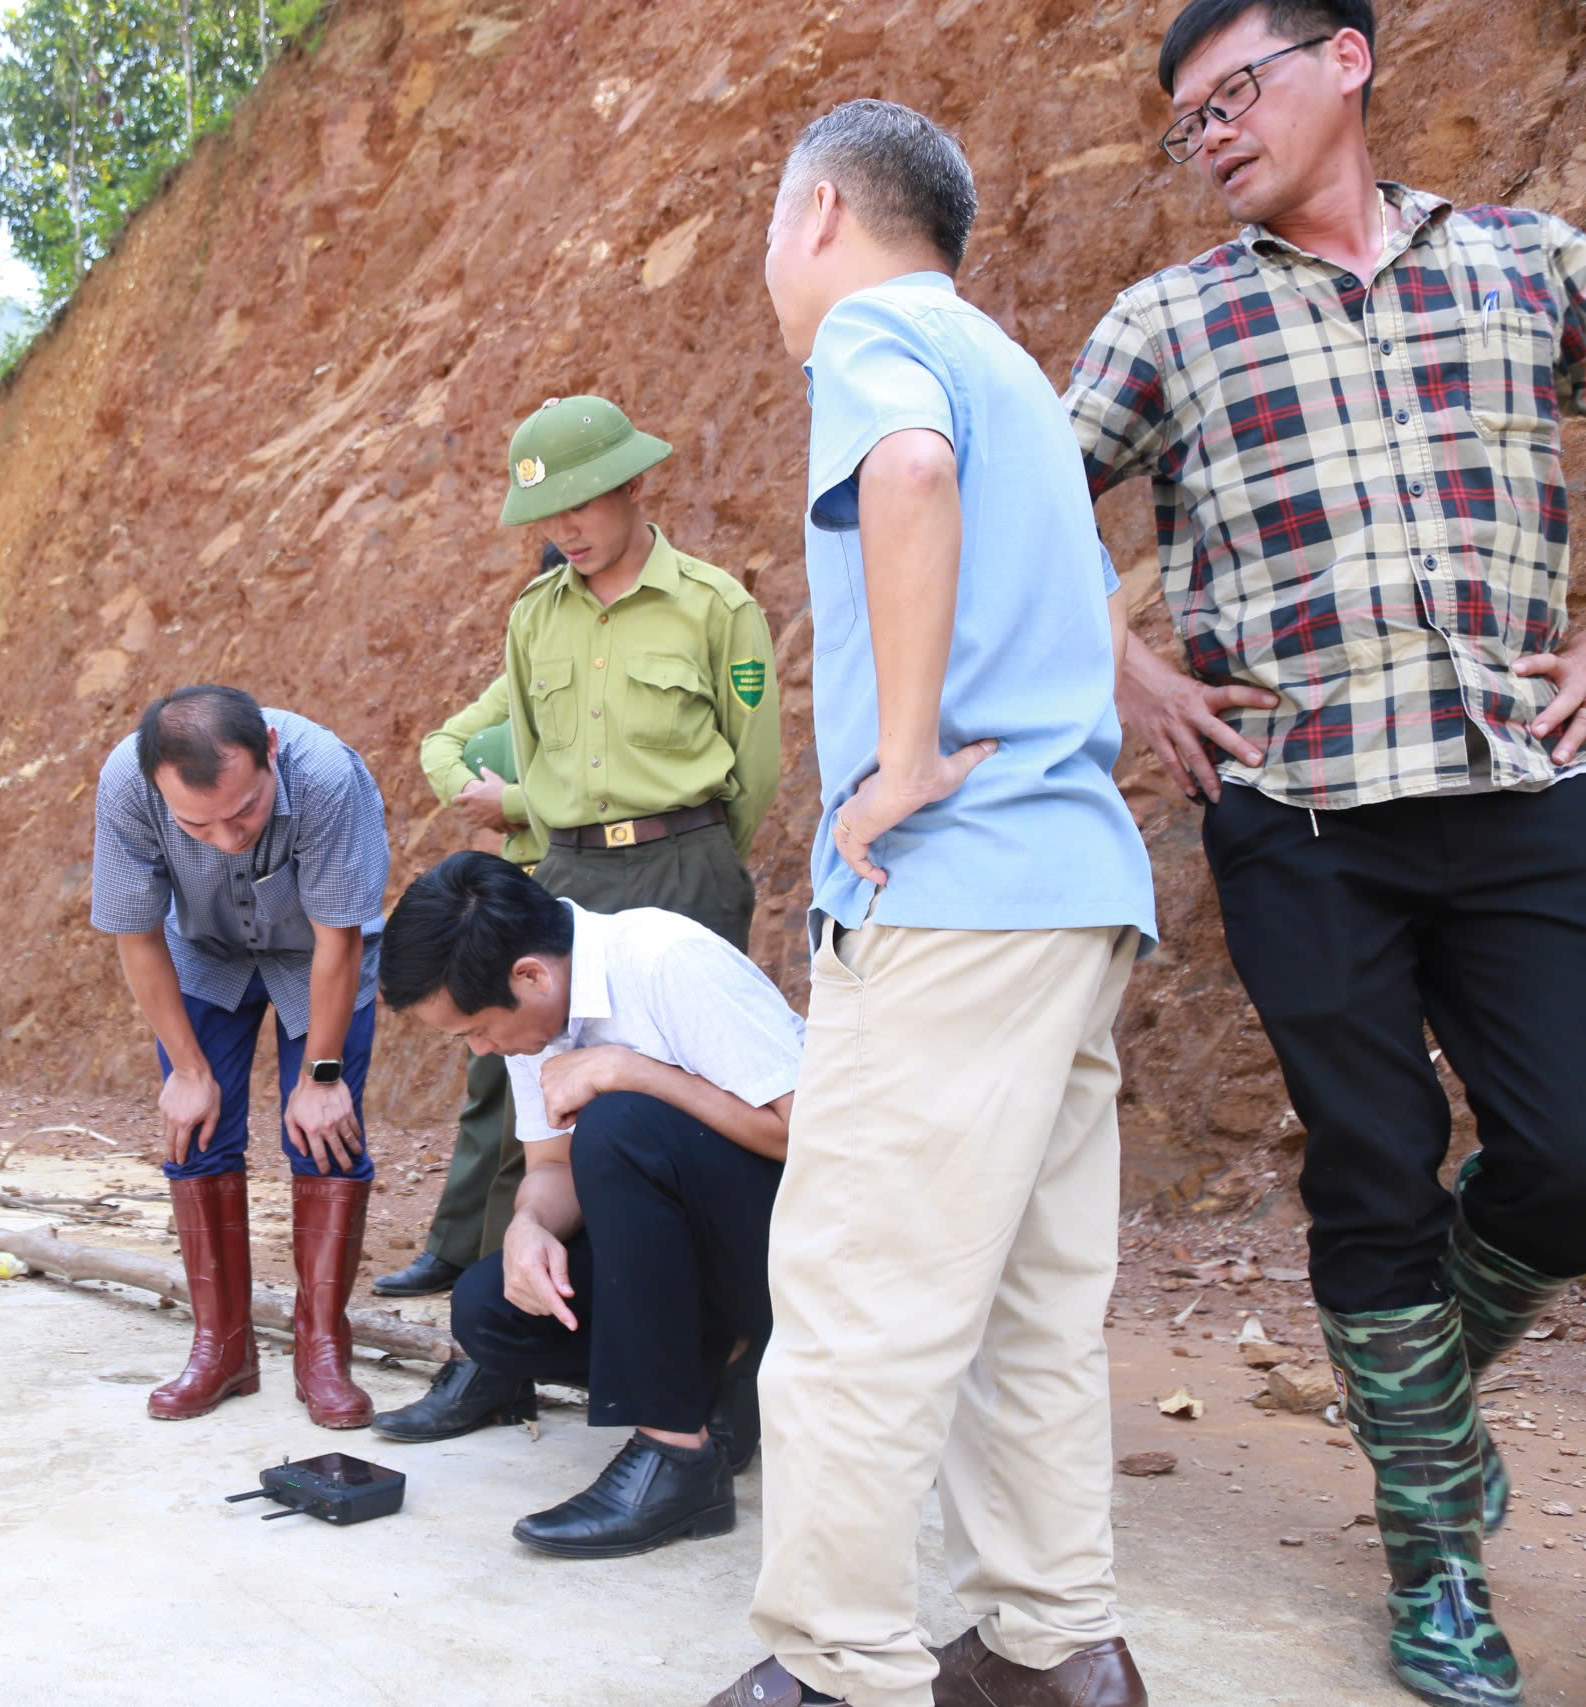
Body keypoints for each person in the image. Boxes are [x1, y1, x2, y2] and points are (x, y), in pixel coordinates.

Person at [1066, 4, 1586, 1699]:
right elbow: (997, 498)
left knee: (1569, 1152)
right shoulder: (1172, 319)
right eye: (1187, 121)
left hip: (1519, 780)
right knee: (1372, 1170)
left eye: (1238, 93)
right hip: (1297, 811)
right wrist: (1128, 663)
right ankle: (1437, 1546)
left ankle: (1408, 1403)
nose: (1212, 133)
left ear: (1347, 62)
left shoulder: (1526, 264)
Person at [716, 102, 1158, 1707]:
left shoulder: (877, 338)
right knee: (1028, 1308)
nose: (772, 267)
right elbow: (1092, 600)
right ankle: (1053, 1645)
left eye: (772, 228)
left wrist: (897, 762)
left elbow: (903, 471)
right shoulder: (1018, 373)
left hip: (956, 895)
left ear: (820, 209)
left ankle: (838, 1668)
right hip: (1076, 891)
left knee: (851, 1305)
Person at [377, 853, 797, 1559]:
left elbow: (810, 1132)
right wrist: (528, 1225)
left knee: (617, 1122)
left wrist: (632, 1072)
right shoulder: (533, 1017)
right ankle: (723, 1375)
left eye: (476, 1030)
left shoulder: (668, 960)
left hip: (790, 1251)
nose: (480, 1048)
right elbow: (550, 1165)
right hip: (690, 1262)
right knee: (488, 1307)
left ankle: (679, 1455)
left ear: (531, 975)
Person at [89, 684, 390, 1428]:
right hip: (201, 954)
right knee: (196, 1131)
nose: (227, 838)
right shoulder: (127, 783)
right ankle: (220, 1347)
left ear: (271, 755)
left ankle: (322, 1350)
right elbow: (137, 932)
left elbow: (338, 940)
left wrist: (321, 1076)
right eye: (198, 823)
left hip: (316, 954)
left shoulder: (326, 776)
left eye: (246, 811)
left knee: (324, 1134)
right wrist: (187, 1070)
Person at [497, 395, 779, 952]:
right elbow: (531, 762)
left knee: (688, 1040)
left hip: (689, 872)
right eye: (547, 513)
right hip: (571, 879)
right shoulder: (532, 617)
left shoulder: (716, 607)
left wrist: (705, 857)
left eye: (578, 502)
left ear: (633, 485)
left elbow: (756, 767)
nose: (563, 529)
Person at [373, 550, 562, 1300]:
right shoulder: (524, 670)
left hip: (594, 886)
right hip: (523, 888)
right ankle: (459, 1247)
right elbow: (439, 746)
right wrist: (480, 798)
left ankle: (517, 1258)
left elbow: (613, 782)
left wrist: (514, 803)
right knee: (493, 1076)